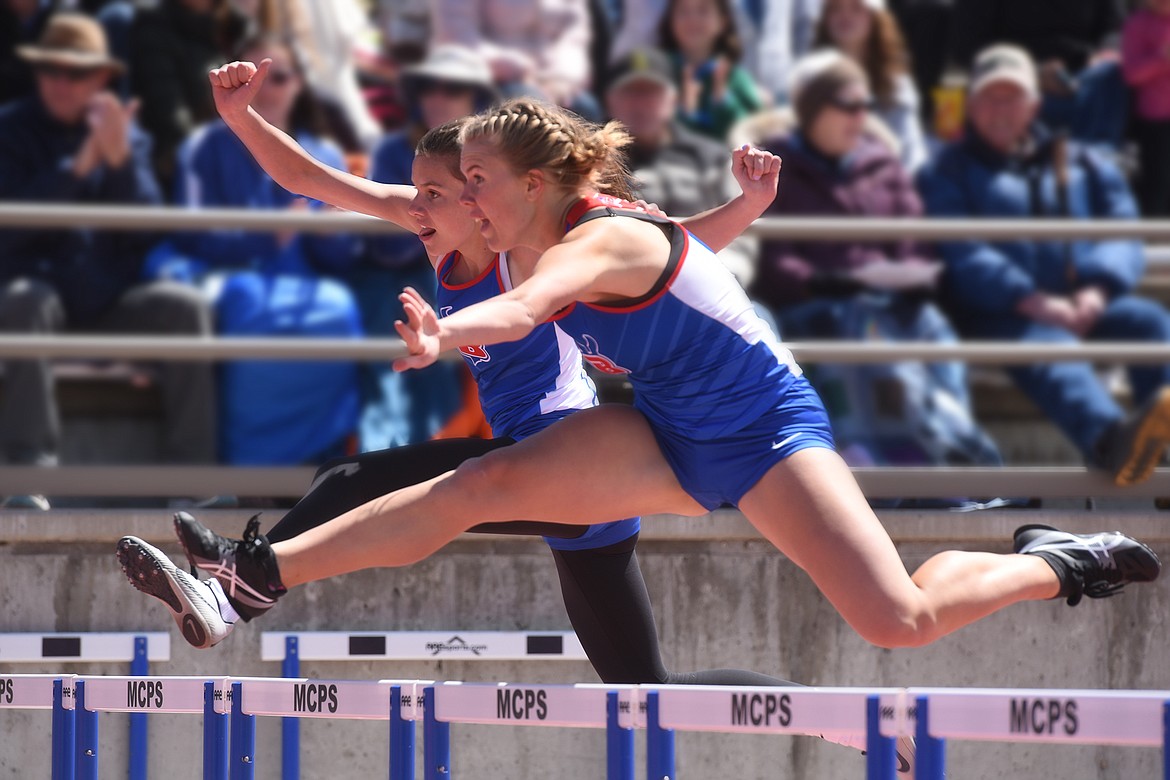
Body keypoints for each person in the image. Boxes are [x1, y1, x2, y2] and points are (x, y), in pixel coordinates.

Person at [119, 72, 1160, 673]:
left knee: (897, 622)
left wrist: (446, 333)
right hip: (658, 427)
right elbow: (357, 197)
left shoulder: (598, 240)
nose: (449, 199)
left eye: (470, 181)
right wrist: (246, 116)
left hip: (763, 432)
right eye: (451, 185)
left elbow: (531, 304)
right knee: (474, 486)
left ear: (533, 184)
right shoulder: (510, 219)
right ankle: (251, 581)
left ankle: (1059, 559)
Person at [917, 44, 1170, 487]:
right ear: (971, 105)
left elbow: (1122, 229)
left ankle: (1163, 457)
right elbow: (960, 248)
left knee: (1150, 323)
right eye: (989, 98)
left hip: (1083, 299)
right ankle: (1114, 443)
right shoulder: (947, 169)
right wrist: (1030, 299)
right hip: (995, 311)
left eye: (1011, 97)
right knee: (1051, 346)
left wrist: (1098, 289)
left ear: (1034, 105)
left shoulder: (1081, 160)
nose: (1000, 109)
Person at [751, 51, 1000, 487]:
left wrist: (913, 278)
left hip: (893, 303)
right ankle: (915, 470)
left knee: (931, 326)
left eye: (865, 106)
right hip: (820, 308)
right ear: (814, 110)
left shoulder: (882, 164)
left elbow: (914, 243)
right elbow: (772, 260)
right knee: (862, 329)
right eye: (847, 105)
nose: (860, 116)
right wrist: (838, 282)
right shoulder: (777, 168)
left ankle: (954, 461)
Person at [0, 12, 216, 508]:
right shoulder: (10, 130)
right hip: (38, 297)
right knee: (23, 301)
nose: (60, 82)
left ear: (101, 79)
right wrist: (78, 168)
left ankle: (192, 481)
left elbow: (145, 228)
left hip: (108, 299)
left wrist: (117, 162)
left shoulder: (124, 134)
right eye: (50, 69)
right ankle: (30, 471)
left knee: (185, 308)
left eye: (75, 72)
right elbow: (11, 233)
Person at [144, 34, 363, 466]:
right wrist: (268, 236)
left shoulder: (323, 153)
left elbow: (343, 259)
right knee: (254, 310)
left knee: (340, 309)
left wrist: (328, 234)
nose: (267, 90)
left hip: (309, 284)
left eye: (279, 77)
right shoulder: (203, 148)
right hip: (228, 275)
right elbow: (194, 235)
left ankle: (321, 463)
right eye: (252, 80)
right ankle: (250, 470)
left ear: (297, 84)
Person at [354, 45, 496, 451]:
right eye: (428, 87)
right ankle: (393, 453)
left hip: (480, 286)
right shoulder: (392, 150)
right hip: (403, 286)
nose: (437, 97)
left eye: (452, 88)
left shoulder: (505, 166)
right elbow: (386, 248)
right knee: (399, 325)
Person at [604, 47, 756, 286]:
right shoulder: (590, 166)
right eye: (630, 92)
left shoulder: (712, 158)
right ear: (609, 100)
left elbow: (743, 238)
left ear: (673, 99)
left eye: (651, 92)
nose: (640, 103)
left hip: (711, 291)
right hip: (621, 298)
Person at [951, 0, 1128, 149]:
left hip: (1087, 79)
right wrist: (1033, 74)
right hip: (1015, 78)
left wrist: (1105, 54)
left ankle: (1098, 166)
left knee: (1111, 74)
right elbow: (966, 46)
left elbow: (1117, 29)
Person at [429, 0, 602, 121]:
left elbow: (575, 37)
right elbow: (457, 35)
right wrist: (518, 71)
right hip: (490, 78)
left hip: (552, 80)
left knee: (585, 108)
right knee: (530, 106)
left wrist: (562, 80)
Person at [812, 0, 928, 172]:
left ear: (875, 18)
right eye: (835, 9)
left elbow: (911, 156)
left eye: (856, 8)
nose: (845, 15)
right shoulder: (809, 79)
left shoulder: (896, 84)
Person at [658, 0, 764, 142]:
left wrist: (722, 101)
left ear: (723, 21)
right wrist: (685, 112)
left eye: (703, 10)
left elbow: (755, 131)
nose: (692, 19)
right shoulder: (659, 72)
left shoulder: (735, 77)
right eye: (683, 11)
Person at [1121, 0, 1170, 217]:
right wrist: (1162, 59)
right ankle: (1155, 241)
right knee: (1158, 183)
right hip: (1155, 121)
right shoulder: (1137, 24)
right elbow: (1131, 74)